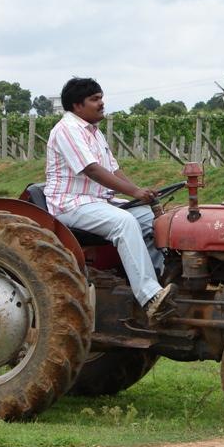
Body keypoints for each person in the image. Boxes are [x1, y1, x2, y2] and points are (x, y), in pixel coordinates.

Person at [44, 77, 176, 323]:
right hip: (70, 204)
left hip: (96, 202)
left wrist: (139, 192)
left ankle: (161, 281)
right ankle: (149, 297)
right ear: (77, 105)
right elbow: (93, 170)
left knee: (155, 220)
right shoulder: (68, 130)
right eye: (95, 99)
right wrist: (134, 194)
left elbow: (113, 170)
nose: (102, 103)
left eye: (101, 97)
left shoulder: (94, 133)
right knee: (124, 222)